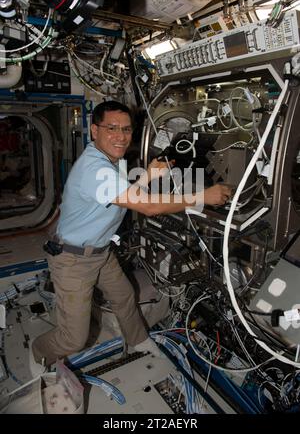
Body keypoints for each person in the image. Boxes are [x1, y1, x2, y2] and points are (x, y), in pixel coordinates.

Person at [32, 100, 232, 370]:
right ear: (94, 130)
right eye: (111, 128)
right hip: (73, 260)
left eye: (126, 129)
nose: (121, 136)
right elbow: (147, 206)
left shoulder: (108, 161)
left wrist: (147, 177)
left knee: (124, 296)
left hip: (100, 252)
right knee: (73, 339)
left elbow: (120, 195)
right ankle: (39, 352)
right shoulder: (96, 168)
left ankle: (138, 340)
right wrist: (202, 197)